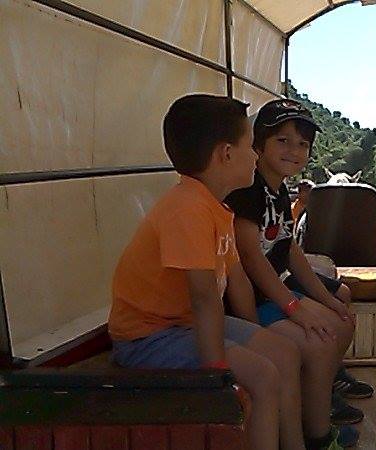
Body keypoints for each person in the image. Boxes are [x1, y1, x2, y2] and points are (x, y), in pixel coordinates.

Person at [108, 94, 296, 450]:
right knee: (263, 376)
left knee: (283, 353)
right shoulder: (187, 208)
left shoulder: (215, 207)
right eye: (249, 146)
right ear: (226, 154)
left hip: (185, 325)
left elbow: (237, 280)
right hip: (148, 336)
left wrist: (253, 337)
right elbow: (204, 297)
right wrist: (217, 374)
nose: (256, 156)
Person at [225, 99, 359, 449]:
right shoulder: (248, 191)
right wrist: (294, 308)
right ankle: (317, 435)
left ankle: (317, 408)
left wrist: (326, 298)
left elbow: (290, 251)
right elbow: (251, 257)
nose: (294, 150)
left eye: (302, 144)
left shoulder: (278, 190)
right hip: (244, 304)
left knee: (340, 320)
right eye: (282, 140)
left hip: (269, 295)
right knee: (322, 338)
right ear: (258, 145)